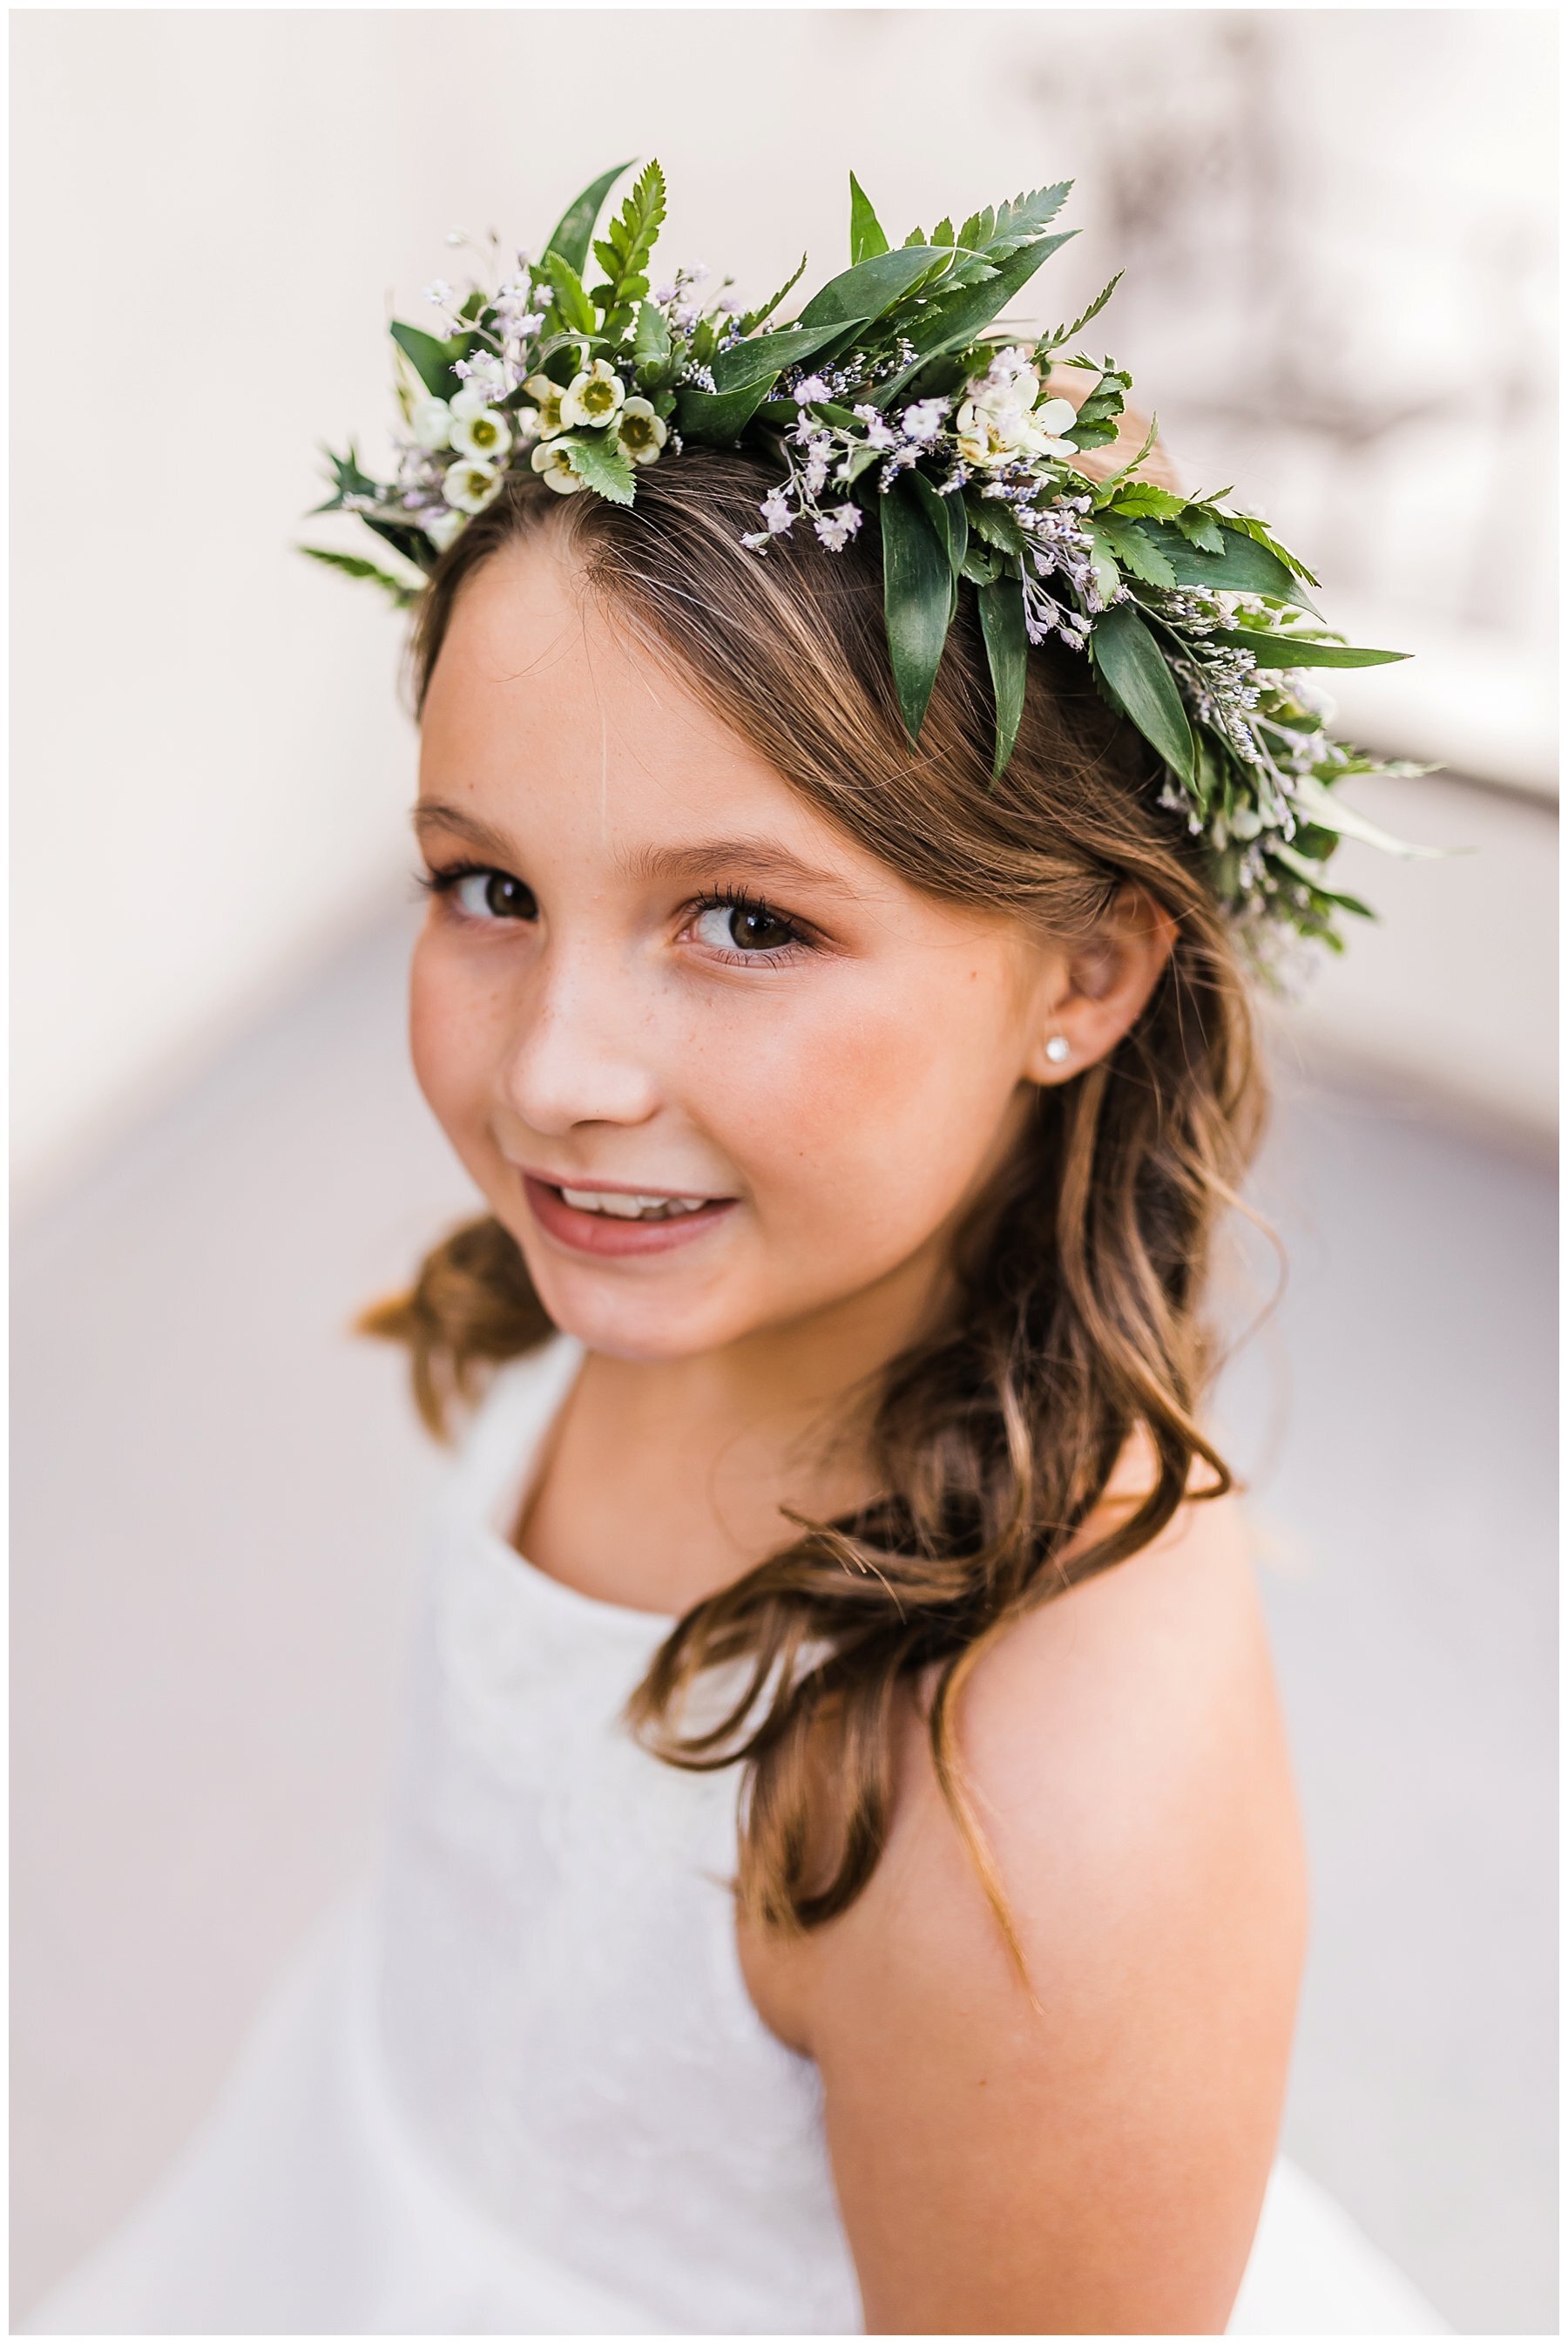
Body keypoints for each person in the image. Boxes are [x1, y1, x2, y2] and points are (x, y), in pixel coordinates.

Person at [29, 166, 1447, 2334]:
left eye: (748, 921)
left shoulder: (1034, 1813)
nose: (559, 1078)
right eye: (484, 886)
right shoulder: (682, 1267)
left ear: (1084, 968)